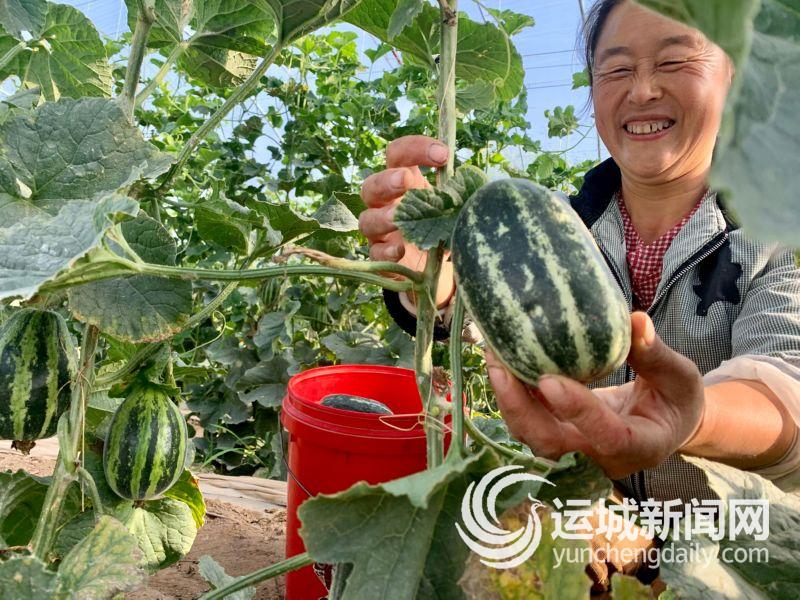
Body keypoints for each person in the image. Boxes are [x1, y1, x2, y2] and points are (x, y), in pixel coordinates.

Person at [358, 0, 800, 504]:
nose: (642, 90)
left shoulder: (776, 236)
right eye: (617, 69)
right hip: (585, 534)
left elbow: (788, 386)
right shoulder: (548, 222)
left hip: (729, 545)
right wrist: (431, 275)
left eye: (674, 61)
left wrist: (694, 416)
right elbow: (486, 308)